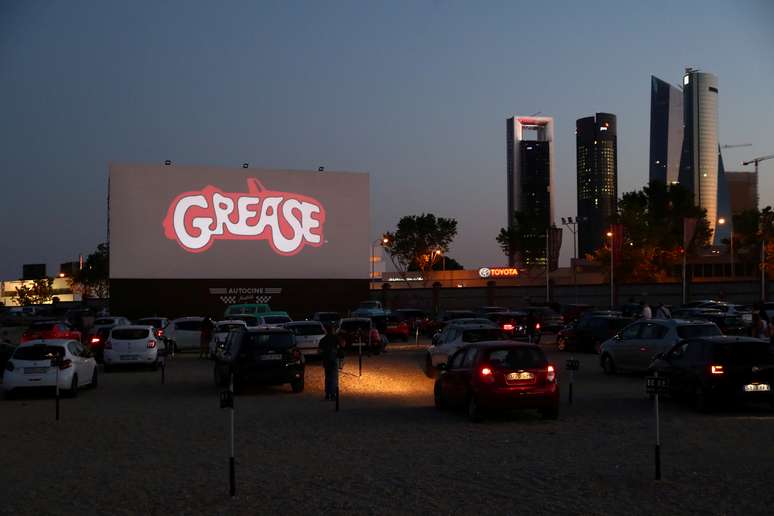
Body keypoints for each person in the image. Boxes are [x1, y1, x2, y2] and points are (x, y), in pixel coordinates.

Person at [318, 324, 341, 401]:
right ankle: (333, 394)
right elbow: (343, 344)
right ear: (333, 330)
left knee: (327, 377)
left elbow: (319, 351)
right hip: (333, 360)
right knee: (334, 377)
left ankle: (327, 394)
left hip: (326, 361)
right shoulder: (335, 338)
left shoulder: (323, 340)